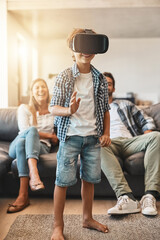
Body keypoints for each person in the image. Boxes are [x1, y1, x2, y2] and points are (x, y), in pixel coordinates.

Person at [50, 28, 111, 240]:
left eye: (90, 46)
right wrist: (69, 110)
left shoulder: (100, 79)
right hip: (70, 137)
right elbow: (53, 107)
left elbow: (105, 109)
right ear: (73, 48)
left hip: (93, 138)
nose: (86, 51)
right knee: (62, 181)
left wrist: (106, 133)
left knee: (89, 180)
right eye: (82, 45)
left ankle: (87, 218)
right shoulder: (65, 76)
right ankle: (57, 226)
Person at [101, 72, 160, 216]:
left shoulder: (125, 104)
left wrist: (147, 132)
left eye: (109, 84)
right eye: (103, 84)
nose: (106, 86)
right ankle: (127, 197)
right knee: (96, 146)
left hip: (129, 142)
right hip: (109, 143)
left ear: (113, 88)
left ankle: (150, 196)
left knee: (156, 136)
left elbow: (146, 119)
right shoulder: (93, 109)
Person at [7, 78, 58, 213]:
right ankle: (34, 174)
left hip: (41, 147)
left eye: (43, 87)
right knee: (28, 133)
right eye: (37, 88)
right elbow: (25, 130)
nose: (41, 90)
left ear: (47, 90)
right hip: (15, 145)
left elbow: (58, 135)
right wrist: (49, 135)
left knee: (23, 144)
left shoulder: (54, 111)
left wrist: (55, 139)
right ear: (32, 92)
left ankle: (23, 196)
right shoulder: (24, 108)